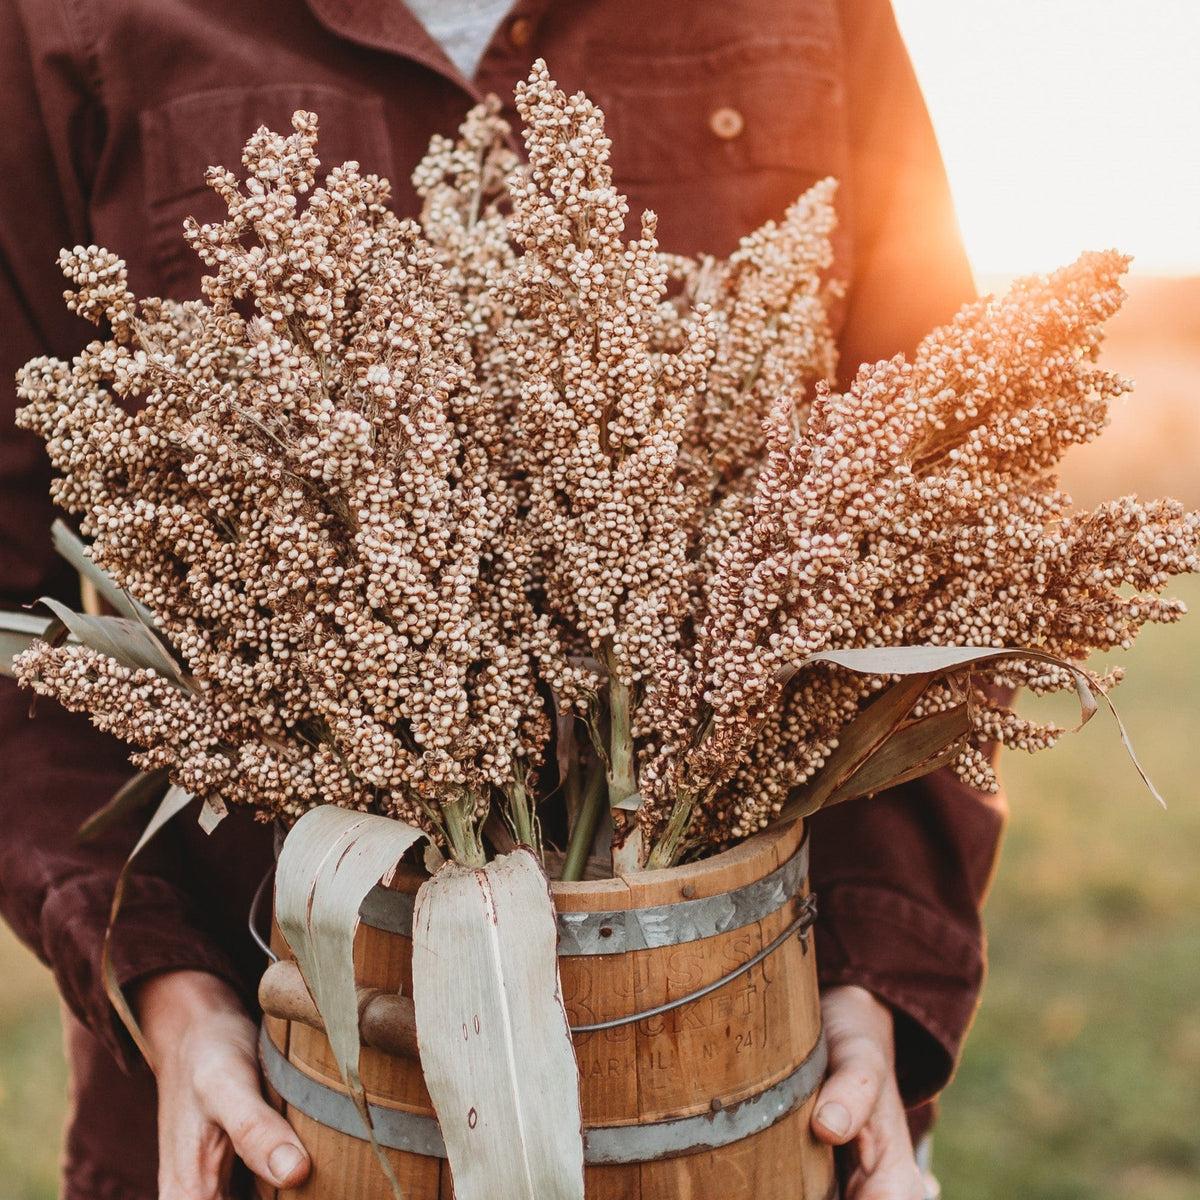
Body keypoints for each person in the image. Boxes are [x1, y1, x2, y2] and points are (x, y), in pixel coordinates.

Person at [0, 0, 1005, 1197]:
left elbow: (946, 513)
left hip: (742, 1064)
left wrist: (876, 975)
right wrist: (166, 988)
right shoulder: (62, 22)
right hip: (268, 1099)